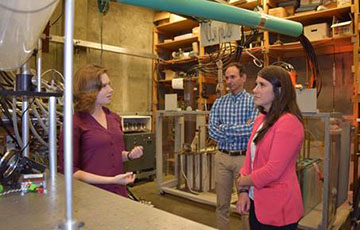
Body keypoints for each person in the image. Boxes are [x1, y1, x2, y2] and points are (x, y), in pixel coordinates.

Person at [58, 63, 143, 198]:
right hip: (91, 196)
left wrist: (128, 155)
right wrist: (112, 180)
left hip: (119, 193)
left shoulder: (114, 118)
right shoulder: (75, 124)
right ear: (89, 90)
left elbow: (108, 154)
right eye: (104, 86)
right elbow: (70, 171)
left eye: (109, 84)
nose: (111, 89)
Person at [236, 65, 304, 229]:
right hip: (257, 202)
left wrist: (242, 181)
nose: (255, 90)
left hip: (278, 210)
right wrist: (244, 192)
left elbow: (273, 170)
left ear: (279, 91)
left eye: (262, 85)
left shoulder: (289, 123)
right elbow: (249, 159)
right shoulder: (261, 119)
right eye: (256, 84)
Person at [209, 62, 258, 230]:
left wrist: (224, 128)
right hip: (222, 157)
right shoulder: (219, 103)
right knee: (222, 204)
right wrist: (241, 128)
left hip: (244, 159)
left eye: (233, 77)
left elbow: (252, 130)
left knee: (246, 205)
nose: (228, 81)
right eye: (226, 78)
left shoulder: (253, 101)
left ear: (243, 78)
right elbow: (212, 132)